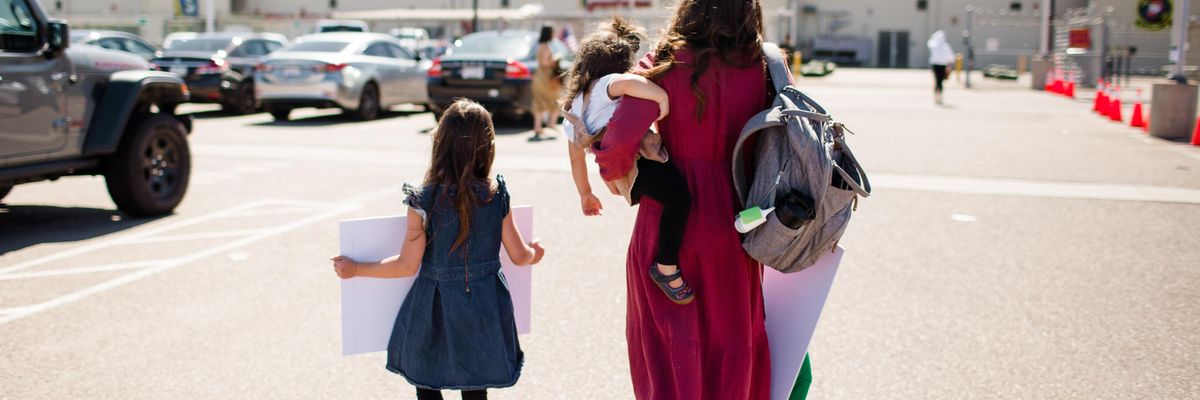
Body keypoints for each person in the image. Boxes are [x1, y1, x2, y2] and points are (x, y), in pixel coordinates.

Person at [590, 0, 774, 398]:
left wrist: (614, 173)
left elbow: (617, 137)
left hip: (668, 220)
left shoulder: (665, 62)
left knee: (669, 345)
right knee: (733, 340)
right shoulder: (766, 66)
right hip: (737, 218)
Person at [330, 99, 546, 400]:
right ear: (487, 146)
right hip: (484, 306)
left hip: (434, 307)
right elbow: (520, 255)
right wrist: (536, 251)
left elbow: (406, 265)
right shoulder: (496, 196)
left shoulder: (423, 201)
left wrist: (356, 269)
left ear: (440, 144)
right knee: (475, 385)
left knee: (428, 379)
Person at [560, 17, 695, 304]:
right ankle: (666, 266)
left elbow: (575, 159)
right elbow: (632, 83)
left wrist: (585, 193)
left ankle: (666, 260)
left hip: (620, 177)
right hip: (637, 162)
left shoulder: (573, 108)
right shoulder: (608, 83)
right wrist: (662, 100)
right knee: (680, 198)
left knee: (669, 198)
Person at [531, 25, 563, 141]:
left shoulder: (540, 45)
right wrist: (555, 58)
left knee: (539, 101)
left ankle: (538, 127)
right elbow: (545, 63)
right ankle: (551, 123)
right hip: (546, 76)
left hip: (540, 76)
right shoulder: (546, 46)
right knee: (555, 99)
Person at [928, 30, 955, 104]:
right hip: (943, 65)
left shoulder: (934, 45)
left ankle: (936, 95)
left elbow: (929, 42)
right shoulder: (945, 46)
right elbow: (951, 57)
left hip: (935, 65)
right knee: (940, 81)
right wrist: (949, 66)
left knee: (936, 80)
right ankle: (940, 95)